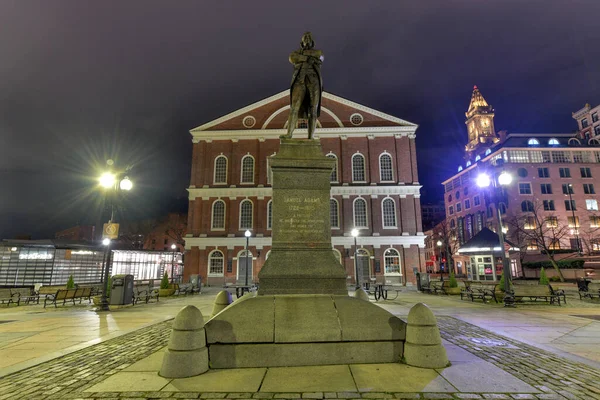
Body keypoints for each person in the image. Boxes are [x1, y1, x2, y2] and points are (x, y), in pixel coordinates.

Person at [281, 32, 324, 140]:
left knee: (313, 109)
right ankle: (289, 134)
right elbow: (292, 57)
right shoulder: (296, 53)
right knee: (294, 108)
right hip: (300, 80)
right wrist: (307, 58)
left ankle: (311, 137)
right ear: (302, 42)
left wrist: (303, 56)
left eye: (309, 38)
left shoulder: (316, 52)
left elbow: (320, 55)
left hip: (313, 81)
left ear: (312, 42)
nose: (307, 39)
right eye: (305, 38)